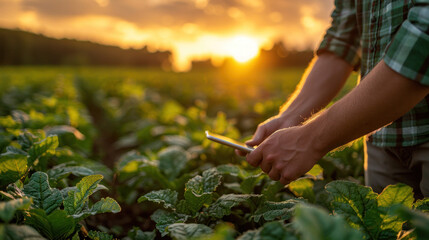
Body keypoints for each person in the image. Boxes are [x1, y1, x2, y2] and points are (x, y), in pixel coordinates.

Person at [236, 0, 429, 198]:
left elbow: (424, 38)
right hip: (380, 138)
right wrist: (290, 118)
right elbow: (344, 37)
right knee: (386, 228)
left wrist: (309, 139)